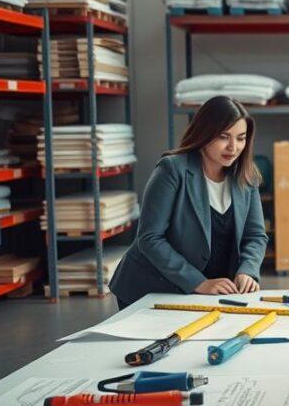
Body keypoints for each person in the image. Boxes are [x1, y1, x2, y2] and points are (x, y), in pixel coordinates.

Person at [110, 96, 267, 310]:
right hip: (152, 287)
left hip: (207, 292)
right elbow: (150, 238)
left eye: (241, 138)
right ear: (204, 133)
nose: (234, 147)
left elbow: (255, 235)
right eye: (224, 137)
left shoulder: (247, 176)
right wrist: (198, 282)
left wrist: (247, 270)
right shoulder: (172, 170)